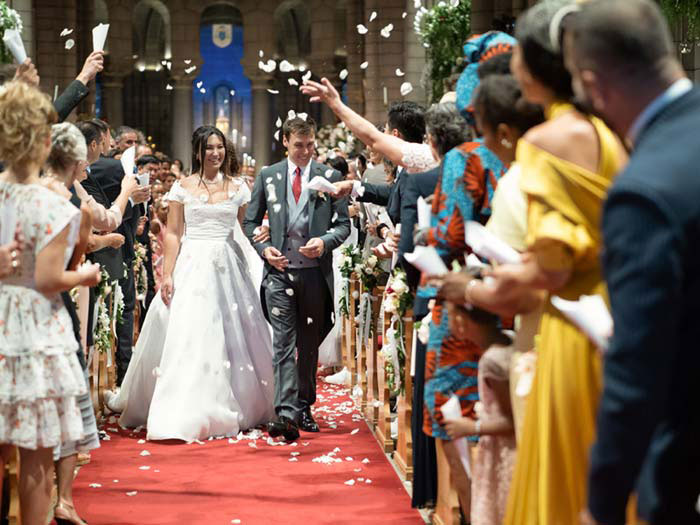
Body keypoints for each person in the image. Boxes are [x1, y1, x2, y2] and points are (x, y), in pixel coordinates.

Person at [486, 3, 626, 523]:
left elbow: (550, 269)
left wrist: (489, 282)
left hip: (566, 329)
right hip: (613, 314)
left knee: (562, 486)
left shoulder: (546, 140)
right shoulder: (605, 131)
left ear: (533, 62)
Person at [564, 1, 700, 523]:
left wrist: (603, 502)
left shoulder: (643, 192)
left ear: (595, 85)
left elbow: (637, 373)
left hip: (684, 459)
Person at [104, 126, 275, 442]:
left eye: (220, 147)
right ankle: (184, 405)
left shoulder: (239, 188)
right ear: (198, 151)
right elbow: (172, 233)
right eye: (209, 147)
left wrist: (258, 249)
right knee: (190, 331)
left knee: (232, 333)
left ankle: (235, 401)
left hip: (228, 265)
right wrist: (168, 274)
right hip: (192, 262)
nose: (216, 153)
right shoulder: (182, 187)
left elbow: (240, 229)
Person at [422, 31, 514, 520]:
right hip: (523, 307)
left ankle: (468, 513)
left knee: (458, 420)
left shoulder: (467, 158)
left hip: (470, 312)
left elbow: (446, 239)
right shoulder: (531, 156)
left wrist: (425, 236)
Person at [0, 81, 101, 525]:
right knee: (37, 448)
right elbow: (46, 278)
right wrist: (85, 274)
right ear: (44, 139)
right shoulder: (51, 205)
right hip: (33, 330)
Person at [438, 74, 545, 442]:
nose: (480, 144)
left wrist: (466, 290)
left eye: (481, 132)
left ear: (503, 133)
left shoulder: (521, 183)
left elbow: (525, 290)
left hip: (543, 343)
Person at [243, 116, 351, 442]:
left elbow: (343, 226)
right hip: (279, 271)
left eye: (310, 145)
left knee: (307, 343)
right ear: (286, 142)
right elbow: (250, 224)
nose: (305, 152)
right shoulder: (268, 176)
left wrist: (325, 242)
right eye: (299, 145)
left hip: (314, 274)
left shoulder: (330, 177)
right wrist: (264, 249)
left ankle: (305, 405)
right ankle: (286, 414)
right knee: (283, 343)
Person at [398, 102, 471, 510]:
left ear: (432, 142)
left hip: (438, 299)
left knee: (440, 400)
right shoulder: (491, 174)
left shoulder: (423, 181)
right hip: (486, 298)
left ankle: (435, 493)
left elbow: (410, 249)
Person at [43, 122, 102, 525]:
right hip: (49, 311)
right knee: (65, 405)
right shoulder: (63, 205)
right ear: (79, 161)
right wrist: (85, 274)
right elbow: (57, 273)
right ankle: (62, 498)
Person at [441, 297, 515, 525]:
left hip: (504, 450)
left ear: (462, 321)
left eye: (449, 316)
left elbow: (514, 420)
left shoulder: (492, 361)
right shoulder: (508, 341)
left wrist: (472, 427)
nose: (447, 323)